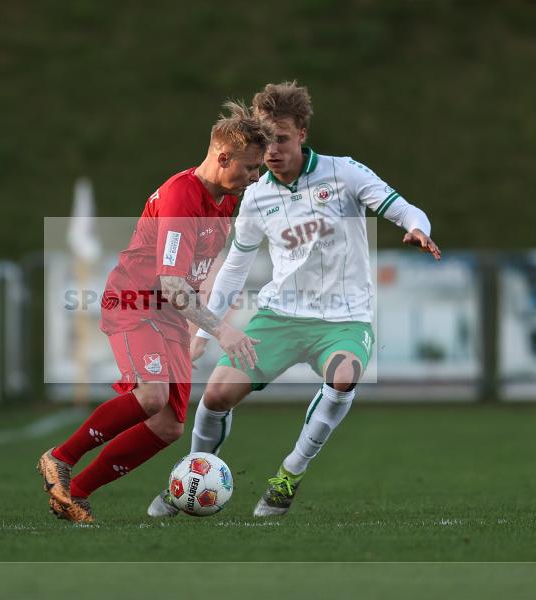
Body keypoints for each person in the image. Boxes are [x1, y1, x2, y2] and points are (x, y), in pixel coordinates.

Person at [147, 81, 441, 518]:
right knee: (215, 396)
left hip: (344, 318)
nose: (272, 151)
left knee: (344, 375)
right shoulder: (256, 196)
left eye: (282, 139)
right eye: (266, 141)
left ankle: (289, 474)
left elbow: (403, 208)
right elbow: (235, 267)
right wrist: (207, 328)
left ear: (302, 133)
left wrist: (420, 229)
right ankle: (189, 478)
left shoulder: (345, 173)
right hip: (280, 316)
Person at [38, 101, 272, 523]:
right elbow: (169, 282)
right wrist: (221, 332)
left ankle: (75, 493)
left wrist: (192, 332)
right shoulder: (184, 195)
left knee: (169, 427)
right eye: (252, 168)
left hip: (168, 316)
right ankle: (59, 457)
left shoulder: (224, 200)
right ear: (223, 158)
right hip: (136, 304)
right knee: (151, 396)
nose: (256, 177)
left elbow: (194, 275)